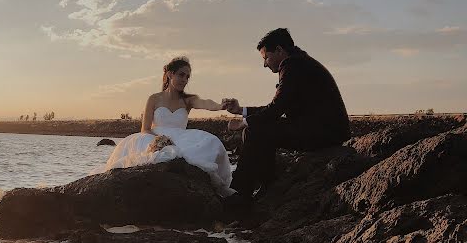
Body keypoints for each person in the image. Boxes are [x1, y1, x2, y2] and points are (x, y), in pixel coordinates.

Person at [222, 28, 350, 199]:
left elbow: (276, 109)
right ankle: (262, 186)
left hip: (324, 132)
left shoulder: (293, 66)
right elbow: (278, 106)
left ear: (280, 50)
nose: (265, 64)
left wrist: (245, 122)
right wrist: (241, 111)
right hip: (324, 128)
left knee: (254, 130)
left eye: (266, 57)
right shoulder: (300, 62)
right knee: (258, 129)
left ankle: (241, 194)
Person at [104, 57, 234, 196]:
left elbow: (205, 103)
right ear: (170, 74)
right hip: (153, 136)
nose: (184, 79)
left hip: (181, 138)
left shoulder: (188, 100)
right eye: (181, 75)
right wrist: (160, 140)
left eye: (187, 77)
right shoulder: (154, 98)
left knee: (212, 141)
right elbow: (145, 128)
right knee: (145, 142)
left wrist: (220, 106)